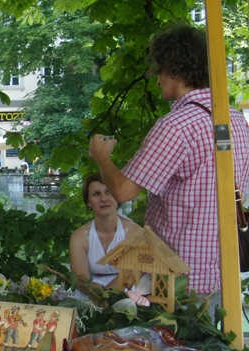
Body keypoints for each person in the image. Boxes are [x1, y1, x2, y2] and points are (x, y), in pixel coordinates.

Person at [89, 23, 249, 305]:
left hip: (178, 280)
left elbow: (123, 191)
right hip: (225, 274)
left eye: (159, 70)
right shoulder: (235, 119)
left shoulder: (176, 126)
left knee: (171, 337)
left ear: (174, 70)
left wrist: (102, 156)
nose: (157, 79)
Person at [69, 173, 141, 297]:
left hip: (126, 290)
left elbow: (131, 274)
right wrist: (99, 296)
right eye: (96, 194)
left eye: (109, 192)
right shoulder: (79, 237)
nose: (104, 199)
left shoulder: (134, 232)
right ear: (88, 202)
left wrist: (107, 296)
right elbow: (79, 278)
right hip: (91, 291)